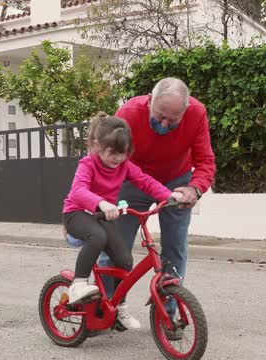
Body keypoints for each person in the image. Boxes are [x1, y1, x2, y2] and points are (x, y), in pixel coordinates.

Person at [98, 78, 216, 337]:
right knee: (115, 247)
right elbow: (107, 159)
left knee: (174, 248)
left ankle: (168, 314)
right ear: (150, 101)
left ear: (184, 112)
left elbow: (205, 160)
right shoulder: (128, 113)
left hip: (176, 182)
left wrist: (194, 189)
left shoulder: (197, 114)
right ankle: (105, 307)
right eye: (160, 116)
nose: (164, 124)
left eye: (172, 121)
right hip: (133, 180)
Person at [62, 112, 184, 330]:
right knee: (97, 237)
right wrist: (101, 203)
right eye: (112, 152)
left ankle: (119, 308)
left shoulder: (124, 166)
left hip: (102, 216)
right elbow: (78, 191)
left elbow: (144, 181)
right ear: (97, 145)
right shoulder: (88, 164)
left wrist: (168, 195)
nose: (118, 158)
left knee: (124, 260)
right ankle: (78, 284)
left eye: (123, 152)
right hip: (77, 213)